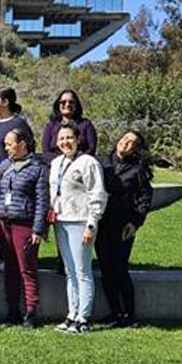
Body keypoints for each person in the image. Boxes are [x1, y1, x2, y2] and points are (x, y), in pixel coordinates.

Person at [48, 123, 107, 334]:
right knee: (69, 271)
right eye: (61, 138)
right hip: (62, 221)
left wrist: (92, 224)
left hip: (81, 222)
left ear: (78, 139)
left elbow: (97, 194)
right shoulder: (56, 163)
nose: (65, 142)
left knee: (83, 271)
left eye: (69, 138)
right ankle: (71, 315)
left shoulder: (88, 162)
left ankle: (84, 317)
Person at [96, 129, 154, 328]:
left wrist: (135, 223)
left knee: (120, 269)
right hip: (101, 224)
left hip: (123, 227)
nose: (126, 143)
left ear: (136, 149)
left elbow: (144, 199)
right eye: (124, 139)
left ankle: (129, 315)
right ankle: (114, 312)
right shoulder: (101, 162)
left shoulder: (138, 171)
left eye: (132, 142)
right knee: (105, 269)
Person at [0, 126, 49, 328]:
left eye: (9, 143)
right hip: (4, 222)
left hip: (24, 224)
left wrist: (38, 229)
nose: (6, 147)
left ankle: (31, 311)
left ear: (22, 144)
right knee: (11, 269)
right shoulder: (4, 165)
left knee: (27, 268)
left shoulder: (38, 168)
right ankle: (13, 310)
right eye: (5, 144)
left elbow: (42, 201)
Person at [0, 87, 32, 268]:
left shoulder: (19, 124)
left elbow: (29, 149)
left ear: (5, 102)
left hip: (12, 177)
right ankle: (1, 256)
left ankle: (11, 257)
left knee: (10, 217)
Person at [41, 89, 98, 165]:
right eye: (63, 102)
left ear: (76, 105)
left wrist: (74, 161)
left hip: (81, 166)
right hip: (55, 166)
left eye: (71, 102)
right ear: (58, 105)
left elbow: (91, 149)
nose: (67, 104)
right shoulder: (51, 126)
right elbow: (46, 153)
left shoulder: (86, 125)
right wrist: (62, 162)